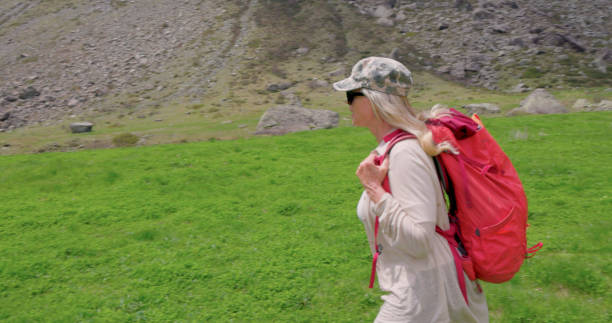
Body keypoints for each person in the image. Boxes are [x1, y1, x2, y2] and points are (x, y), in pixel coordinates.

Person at [332, 57, 489, 322]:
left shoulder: (405, 153)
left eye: (351, 95)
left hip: (425, 291)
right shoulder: (393, 148)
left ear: (373, 100)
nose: (347, 104)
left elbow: (419, 240)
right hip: (420, 284)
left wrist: (375, 191)